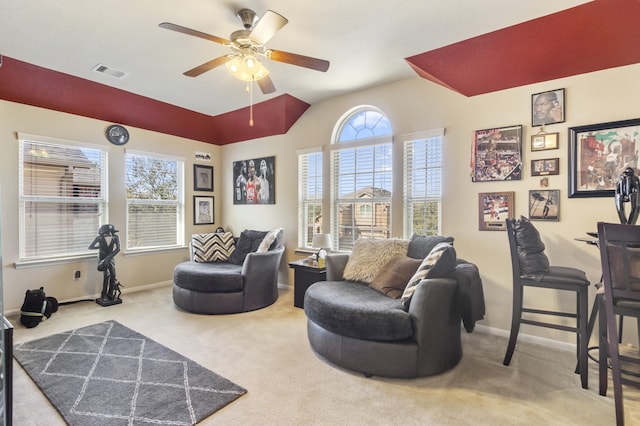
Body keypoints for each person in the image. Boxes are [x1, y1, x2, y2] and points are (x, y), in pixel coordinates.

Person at [88, 224, 122, 305]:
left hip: (111, 258)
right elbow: (90, 247)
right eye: (107, 232)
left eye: (111, 232)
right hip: (102, 258)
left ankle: (110, 293)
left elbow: (118, 249)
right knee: (106, 276)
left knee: (113, 275)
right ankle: (104, 295)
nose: (109, 233)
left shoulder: (115, 237)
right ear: (103, 233)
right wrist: (100, 247)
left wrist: (109, 257)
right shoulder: (99, 238)